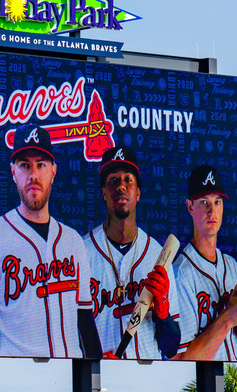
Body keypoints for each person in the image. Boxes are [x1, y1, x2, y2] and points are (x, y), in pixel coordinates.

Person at [0, 124, 101, 358]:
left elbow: (85, 322)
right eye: (25, 165)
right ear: (13, 172)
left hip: (68, 379)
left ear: (53, 171)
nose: (33, 174)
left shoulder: (73, 242)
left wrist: (97, 379)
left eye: (41, 165)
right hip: (14, 380)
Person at [82, 146, 180, 360]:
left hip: (147, 381)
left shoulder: (156, 253)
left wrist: (163, 313)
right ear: (103, 192)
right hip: (99, 377)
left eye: (128, 180)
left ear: (138, 192)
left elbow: (171, 348)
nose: (121, 186)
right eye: (113, 181)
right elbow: (70, 334)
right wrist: (92, 359)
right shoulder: (82, 252)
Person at [172, 165, 237, 361]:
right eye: (204, 202)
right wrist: (227, 318)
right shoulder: (181, 274)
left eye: (217, 202)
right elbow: (181, 359)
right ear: (190, 206)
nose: (211, 210)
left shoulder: (231, 266)